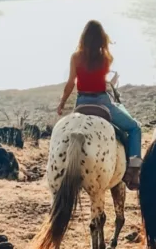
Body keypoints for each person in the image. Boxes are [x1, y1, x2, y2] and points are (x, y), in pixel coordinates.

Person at [56, 20, 143, 190]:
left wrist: (62, 103)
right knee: (135, 128)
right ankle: (134, 170)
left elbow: (70, 84)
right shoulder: (106, 58)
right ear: (102, 39)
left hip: (81, 102)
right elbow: (100, 79)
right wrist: (112, 81)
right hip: (102, 102)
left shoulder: (75, 57)